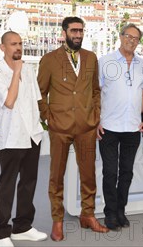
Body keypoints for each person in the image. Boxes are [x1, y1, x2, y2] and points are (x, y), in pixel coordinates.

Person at [37, 16, 109, 241]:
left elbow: (95, 90)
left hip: (87, 127)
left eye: (81, 31)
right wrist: (48, 118)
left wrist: (95, 115)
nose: (78, 35)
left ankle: (88, 215)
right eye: (74, 31)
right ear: (64, 32)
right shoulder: (49, 59)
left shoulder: (91, 57)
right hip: (59, 127)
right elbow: (40, 92)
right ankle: (57, 221)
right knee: (56, 176)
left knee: (88, 175)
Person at [0, 31, 47, 247]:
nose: (18, 47)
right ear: (2, 47)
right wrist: (16, 73)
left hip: (32, 134)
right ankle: (2, 234)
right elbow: (10, 102)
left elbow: (35, 100)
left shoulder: (29, 69)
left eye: (20, 43)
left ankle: (22, 226)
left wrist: (40, 127)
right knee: (7, 184)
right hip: (11, 137)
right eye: (13, 44)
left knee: (29, 182)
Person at [97, 23, 143, 230]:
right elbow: (96, 94)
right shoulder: (105, 62)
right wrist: (96, 121)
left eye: (136, 38)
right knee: (110, 172)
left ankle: (121, 210)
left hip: (133, 127)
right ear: (120, 37)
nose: (132, 40)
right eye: (128, 36)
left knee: (127, 173)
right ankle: (110, 213)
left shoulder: (142, 65)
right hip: (108, 127)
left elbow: (142, 94)